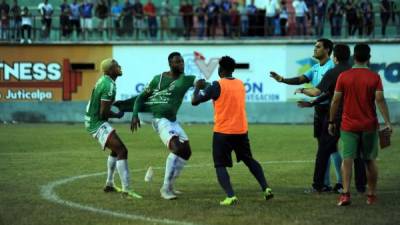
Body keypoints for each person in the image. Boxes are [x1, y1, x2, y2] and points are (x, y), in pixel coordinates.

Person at [192, 56, 274, 206]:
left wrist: (197, 86)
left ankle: (231, 196)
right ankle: (266, 188)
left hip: (223, 131)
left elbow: (194, 101)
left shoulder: (217, 84)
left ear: (220, 69)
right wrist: (208, 87)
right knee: (249, 160)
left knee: (220, 165)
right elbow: (220, 90)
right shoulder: (240, 84)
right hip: (241, 130)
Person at [270, 38, 339, 193]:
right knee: (324, 148)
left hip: (329, 109)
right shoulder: (315, 67)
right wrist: (282, 80)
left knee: (330, 148)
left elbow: (326, 92)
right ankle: (326, 183)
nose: (315, 49)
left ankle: (339, 183)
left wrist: (306, 94)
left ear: (327, 50)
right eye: (315, 46)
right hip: (319, 111)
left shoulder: (331, 67)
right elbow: (301, 79)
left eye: (318, 47)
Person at [296, 44, 367, 194]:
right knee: (357, 152)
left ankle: (318, 185)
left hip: (335, 118)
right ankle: (361, 186)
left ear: (334, 57)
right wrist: (313, 104)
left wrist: (302, 90)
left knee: (323, 151)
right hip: (355, 117)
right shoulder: (354, 72)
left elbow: (318, 92)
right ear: (349, 57)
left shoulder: (333, 72)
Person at [329, 43, 393, 206]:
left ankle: (345, 194)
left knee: (347, 159)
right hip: (369, 125)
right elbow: (380, 100)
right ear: (369, 58)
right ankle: (370, 195)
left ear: (353, 57)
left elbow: (335, 100)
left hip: (348, 125)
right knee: (370, 160)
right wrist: (387, 122)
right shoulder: (374, 77)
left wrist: (331, 121)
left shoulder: (344, 76)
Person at [130, 52, 198, 200]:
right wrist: (135, 114)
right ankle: (165, 188)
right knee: (176, 148)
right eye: (177, 62)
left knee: (186, 151)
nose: (181, 64)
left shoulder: (186, 79)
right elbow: (141, 98)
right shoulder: (158, 79)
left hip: (172, 120)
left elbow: (199, 83)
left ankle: (171, 185)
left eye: (181, 61)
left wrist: (203, 85)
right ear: (170, 64)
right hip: (160, 119)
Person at [85, 58, 142, 199]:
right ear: (110, 70)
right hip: (96, 122)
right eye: (116, 65)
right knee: (122, 150)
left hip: (92, 120)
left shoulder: (105, 80)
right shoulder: (109, 86)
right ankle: (126, 190)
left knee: (116, 150)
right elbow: (103, 113)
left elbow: (102, 103)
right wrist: (116, 115)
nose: (119, 67)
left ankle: (109, 184)